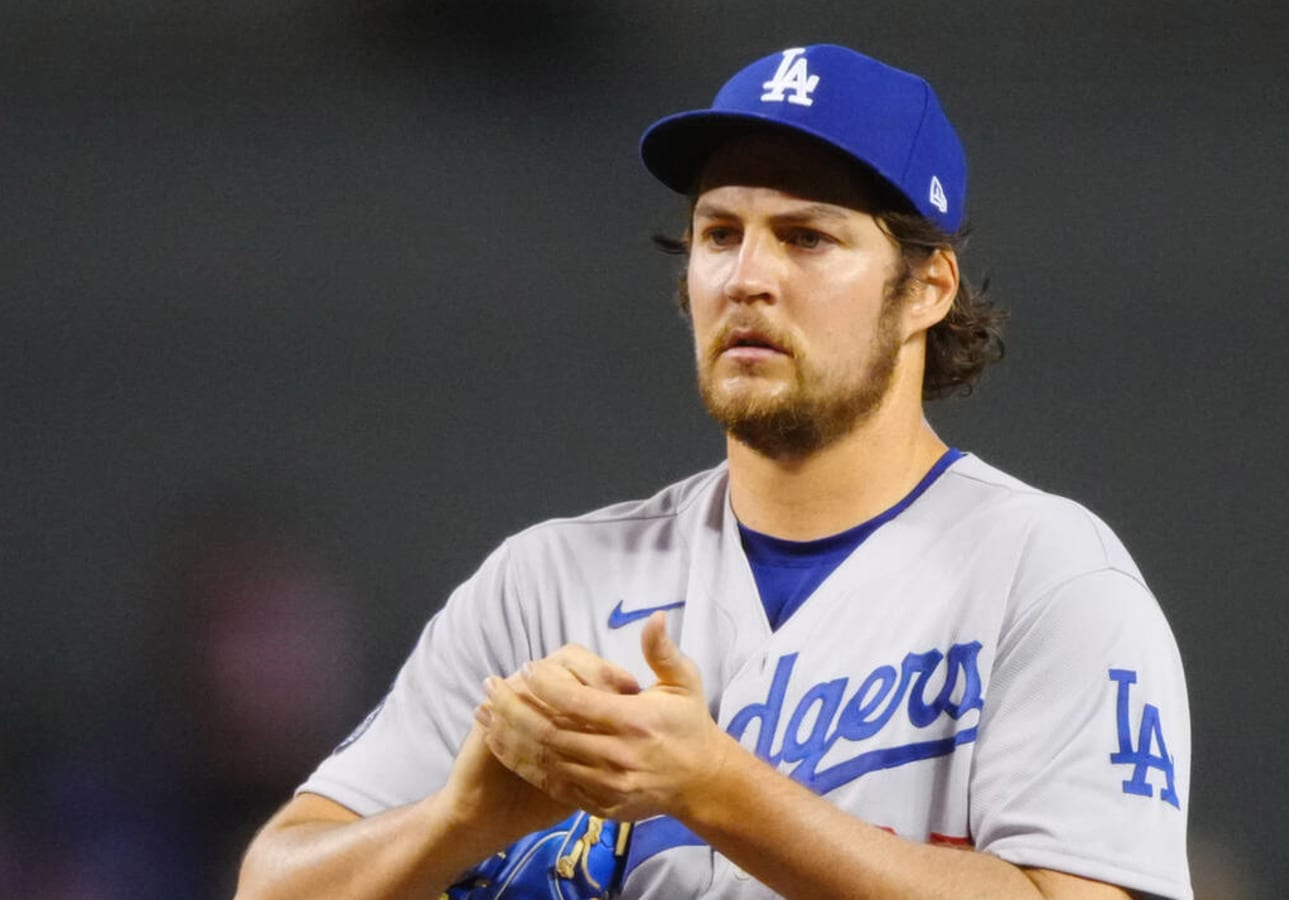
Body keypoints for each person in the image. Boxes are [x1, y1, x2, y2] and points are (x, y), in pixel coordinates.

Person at [234, 43, 1191, 900]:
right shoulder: (549, 582)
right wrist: (463, 821)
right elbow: (277, 881)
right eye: (720, 232)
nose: (746, 277)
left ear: (928, 287)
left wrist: (719, 789)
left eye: (807, 236)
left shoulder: (1044, 574)